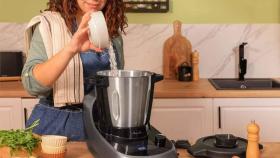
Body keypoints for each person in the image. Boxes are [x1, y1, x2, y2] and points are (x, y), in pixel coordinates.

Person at [22, 0, 127, 141]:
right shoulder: (49, 26)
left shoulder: (111, 30)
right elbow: (32, 85)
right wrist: (71, 48)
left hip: (102, 125)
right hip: (56, 128)